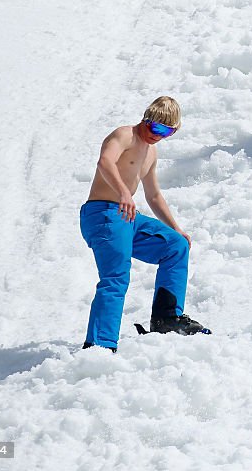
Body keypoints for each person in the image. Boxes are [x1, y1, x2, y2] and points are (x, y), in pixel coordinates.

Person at [80, 96, 209, 352]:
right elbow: (105, 161)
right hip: (103, 213)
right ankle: (99, 345)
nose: (157, 135)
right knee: (116, 277)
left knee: (175, 245)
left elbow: (153, 195)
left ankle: (167, 318)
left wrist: (176, 228)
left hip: (128, 217)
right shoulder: (124, 135)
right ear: (145, 119)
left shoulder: (151, 152)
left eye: (166, 132)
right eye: (154, 128)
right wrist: (124, 193)